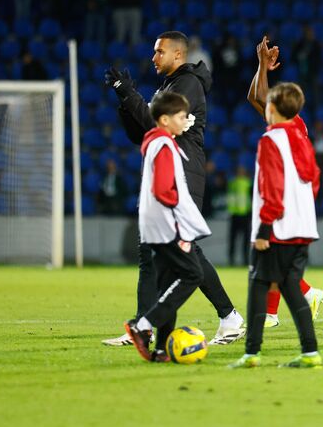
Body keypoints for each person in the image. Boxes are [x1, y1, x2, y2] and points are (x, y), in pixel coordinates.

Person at [103, 31, 244, 347]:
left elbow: (155, 124)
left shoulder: (188, 84)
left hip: (181, 175)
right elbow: (141, 133)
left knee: (183, 251)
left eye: (159, 51)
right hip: (162, 175)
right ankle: (145, 326)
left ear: (178, 54)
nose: (154, 57)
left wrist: (129, 94)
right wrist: (125, 101)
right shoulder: (168, 86)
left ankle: (227, 317)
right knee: (151, 254)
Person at [228, 83, 322, 369]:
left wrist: (264, 228)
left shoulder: (271, 139)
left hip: (277, 228)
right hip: (303, 226)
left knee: (258, 284)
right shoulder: (302, 139)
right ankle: (310, 352)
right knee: (291, 287)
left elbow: (272, 184)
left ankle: (251, 353)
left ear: (272, 108)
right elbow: (314, 179)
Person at [123, 93, 211, 362]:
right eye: (181, 116)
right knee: (192, 274)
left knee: (168, 283)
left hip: (154, 224)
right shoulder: (163, 144)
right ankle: (142, 325)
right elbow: (163, 189)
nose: (185, 120)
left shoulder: (157, 142)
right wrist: (179, 215)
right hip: (166, 225)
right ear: (164, 119)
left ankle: (161, 349)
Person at [246, 36, 323, 326]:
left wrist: (262, 65)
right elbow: (254, 97)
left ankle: (279, 311)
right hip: (291, 197)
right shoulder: (285, 124)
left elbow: (259, 97)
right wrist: (262, 68)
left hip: (287, 197)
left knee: (273, 257)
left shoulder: (293, 125)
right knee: (278, 261)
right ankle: (290, 304)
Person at [227, 165, 252, 266]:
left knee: (235, 240)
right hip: (240, 214)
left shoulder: (233, 183)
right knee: (240, 240)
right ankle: (239, 260)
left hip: (239, 215)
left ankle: (237, 260)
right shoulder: (248, 183)